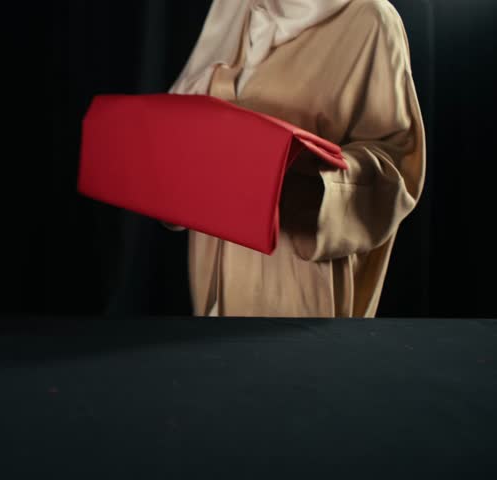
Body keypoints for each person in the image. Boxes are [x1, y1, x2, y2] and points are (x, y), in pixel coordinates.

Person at [163, 0, 426, 318]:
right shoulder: (234, 9)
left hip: (295, 273)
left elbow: (398, 158)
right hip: (214, 264)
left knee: (294, 365)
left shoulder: (370, 18)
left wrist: (308, 186)